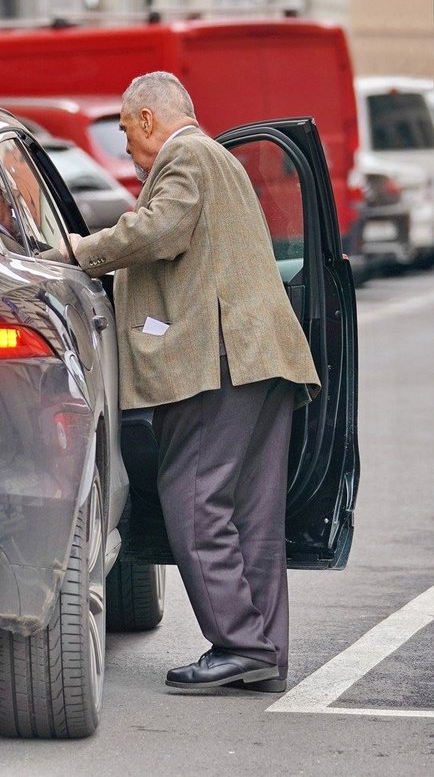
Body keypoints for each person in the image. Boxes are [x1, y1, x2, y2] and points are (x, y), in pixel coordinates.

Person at [66, 71, 320, 693]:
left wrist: (77, 253)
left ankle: (238, 644)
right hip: (263, 360)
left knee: (193, 499)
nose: (127, 147)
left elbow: (157, 230)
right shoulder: (219, 159)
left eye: (126, 131)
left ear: (148, 119)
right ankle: (262, 651)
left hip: (219, 362)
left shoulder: (184, 156)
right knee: (253, 514)